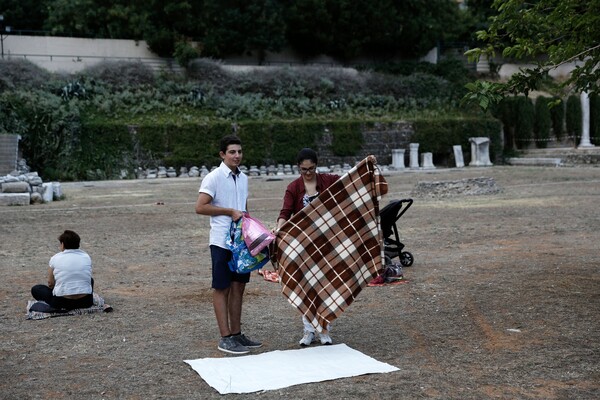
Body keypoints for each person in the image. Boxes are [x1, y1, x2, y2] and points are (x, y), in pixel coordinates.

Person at [195, 134, 262, 355]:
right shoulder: (213, 178)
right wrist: (228, 211)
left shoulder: (243, 178)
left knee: (238, 287)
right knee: (222, 287)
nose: (237, 156)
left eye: (239, 152)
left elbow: (244, 207)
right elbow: (201, 207)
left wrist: (253, 233)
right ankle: (225, 337)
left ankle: (236, 333)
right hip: (221, 241)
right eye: (232, 152)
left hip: (241, 243)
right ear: (222, 154)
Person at [275, 148, 341, 347]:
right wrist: (279, 229)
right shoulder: (293, 187)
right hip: (303, 246)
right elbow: (285, 212)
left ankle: (324, 329)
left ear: (317, 166)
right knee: (305, 288)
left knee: (326, 287)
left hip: (327, 243)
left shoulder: (328, 181)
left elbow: (350, 184)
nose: (308, 173)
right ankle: (308, 331)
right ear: (298, 168)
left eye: (312, 169)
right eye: (304, 170)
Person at [31, 230, 94, 310]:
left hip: (62, 302)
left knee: (36, 289)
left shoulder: (55, 258)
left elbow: (50, 283)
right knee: (90, 280)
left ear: (63, 244)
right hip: (86, 302)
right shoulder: (86, 256)